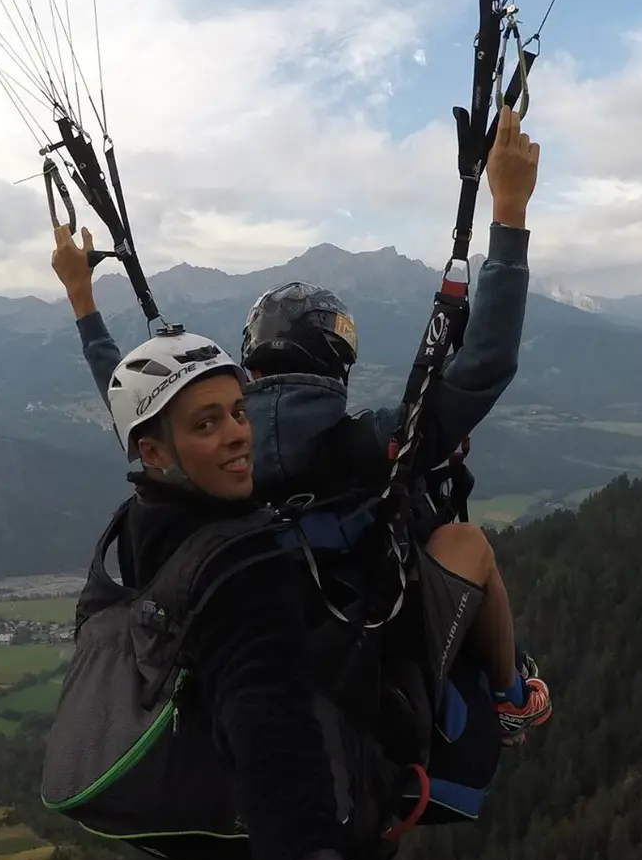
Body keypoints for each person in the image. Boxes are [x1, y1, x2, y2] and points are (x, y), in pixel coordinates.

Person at [50, 106, 552, 744]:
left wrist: (81, 298)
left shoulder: (210, 445)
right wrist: (508, 210)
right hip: (359, 658)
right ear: (337, 358)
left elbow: (125, 393)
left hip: (251, 651)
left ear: (251, 363)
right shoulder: (375, 443)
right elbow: (484, 364)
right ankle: (514, 698)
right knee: (465, 545)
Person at [80, 327, 421, 860]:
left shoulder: (142, 518)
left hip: (199, 766)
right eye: (207, 425)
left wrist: (83, 301)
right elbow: (265, 710)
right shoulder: (243, 563)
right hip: (317, 801)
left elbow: (127, 398)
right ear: (155, 451)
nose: (238, 434)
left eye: (238, 411)